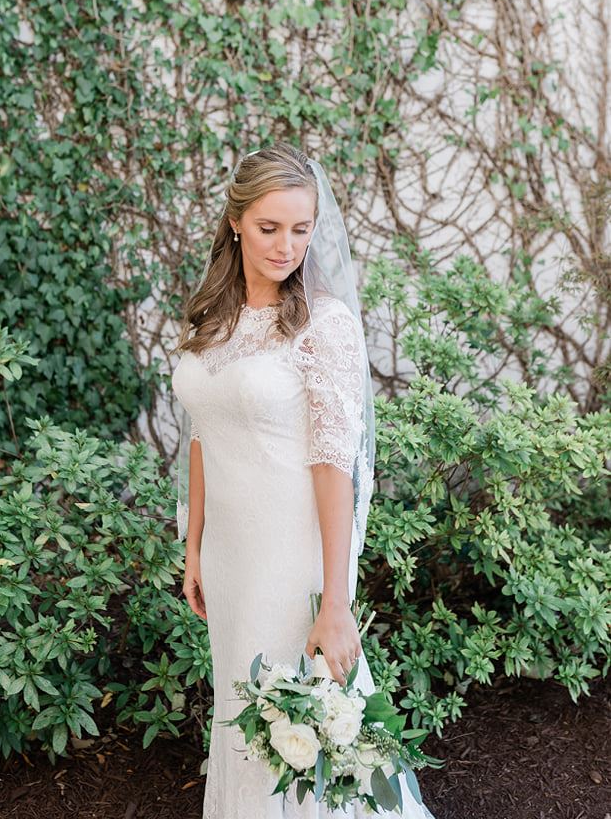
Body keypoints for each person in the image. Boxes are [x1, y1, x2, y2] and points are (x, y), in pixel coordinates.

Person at [171, 142, 436, 818]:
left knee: (299, 723)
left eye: (301, 229)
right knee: (241, 711)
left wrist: (337, 600)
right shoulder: (211, 318)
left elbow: (334, 466)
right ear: (236, 222)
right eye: (269, 227)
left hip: (292, 562)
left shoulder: (325, 326)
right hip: (229, 558)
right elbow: (204, 436)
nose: (286, 246)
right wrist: (193, 547)